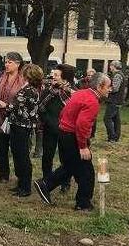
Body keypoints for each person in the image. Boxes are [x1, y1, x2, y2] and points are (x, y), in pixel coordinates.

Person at [33, 72, 112, 212]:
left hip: (64, 133)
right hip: (73, 136)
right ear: (100, 86)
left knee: (70, 167)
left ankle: (46, 184)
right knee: (86, 172)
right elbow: (82, 124)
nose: (110, 89)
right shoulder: (92, 101)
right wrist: (83, 146)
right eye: (108, 86)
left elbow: (63, 112)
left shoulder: (81, 93)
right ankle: (82, 203)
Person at [0, 63, 43, 196]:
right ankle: (21, 183)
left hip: (22, 126)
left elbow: (19, 107)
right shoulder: (29, 88)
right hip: (18, 124)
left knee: (22, 155)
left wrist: (6, 106)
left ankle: (25, 187)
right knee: (18, 154)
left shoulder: (30, 90)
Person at [0, 52, 25, 183]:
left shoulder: (24, 79)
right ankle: (4, 175)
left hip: (16, 119)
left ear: (18, 64)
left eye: (10, 62)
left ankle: (21, 176)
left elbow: (25, 100)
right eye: (6, 62)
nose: (6, 65)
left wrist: (8, 105)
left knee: (17, 150)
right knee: (1, 149)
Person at [38, 64, 75, 184]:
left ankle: (65, 181)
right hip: (50, 128)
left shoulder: (73, 91)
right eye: (53, 74)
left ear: (65, 78)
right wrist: (48, 121)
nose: (53, 77)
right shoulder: (48, 90)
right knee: (47, 156)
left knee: (66, 157)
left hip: (66, 130)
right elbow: (41, 107)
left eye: (56, 75)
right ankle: (47, 180)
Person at [104, 61, 125, 142]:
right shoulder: (120, 74)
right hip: (117, 100)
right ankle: (116, 137)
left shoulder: (117, 75)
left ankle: (112, 137)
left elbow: (115, 88)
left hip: (114, 100)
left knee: (107, 118)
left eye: (110, 66)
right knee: (116, 119)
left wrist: (106, 90)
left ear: (113, 66)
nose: (110, 68)